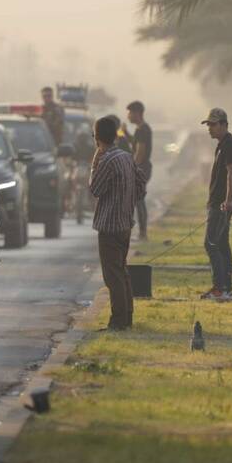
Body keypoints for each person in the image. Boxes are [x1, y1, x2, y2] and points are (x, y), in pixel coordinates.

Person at [89, 116, 147, 330]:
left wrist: (94, 164)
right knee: (122, 272)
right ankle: (127, 316)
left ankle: (118, 321)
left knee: (112, 276)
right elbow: (141, 187)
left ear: (97, 137)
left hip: (109, 227)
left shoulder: (107, 161)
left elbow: (94, 189)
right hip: (125, 223)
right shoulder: (126, 157)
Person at [200, 108, 232, 302]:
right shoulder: (222, 145)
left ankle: (220, 288)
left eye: (213, 124)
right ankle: (227, 289)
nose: (210, 128)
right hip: (218, 203)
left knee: (211, 244)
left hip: (221, 205)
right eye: (208, 124)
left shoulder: (230, 145)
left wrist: (228, 201)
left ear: (224, 125)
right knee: (222, 245)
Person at [124, 101, 152, 241]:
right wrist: (126, 134)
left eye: (129, 113)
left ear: (137, 113)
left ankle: (143, 233)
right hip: (143, 168)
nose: (128, 116)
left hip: (141, 168)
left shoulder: (142, 130)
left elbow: (140, 153)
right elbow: (135, 144)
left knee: (139, 201)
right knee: (138, 200)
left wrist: (132, 169)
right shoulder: (141, 129)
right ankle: (142, 232)